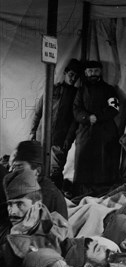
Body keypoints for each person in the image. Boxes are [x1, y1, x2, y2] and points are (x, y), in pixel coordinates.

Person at [0, 169, 71, 267]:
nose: (12, 211)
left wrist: (18, 236)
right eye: (10, 204)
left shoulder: (58, 228)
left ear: (37, 206)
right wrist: (16, 233)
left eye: (20, 204)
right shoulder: (4, 229)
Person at [29, 59, 81, 189]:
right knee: (38, 168)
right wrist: (33, 131)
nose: (73, 78)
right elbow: (38, 112)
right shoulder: (52, 88)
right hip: (41, 136)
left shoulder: (76, 94)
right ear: (65, 73)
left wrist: (68, 139)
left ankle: (56, 198)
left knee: (56, 171)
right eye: (71, 75)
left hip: (60, 139)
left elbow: (75, 121)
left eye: (76, 76)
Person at [72, 60, 121, 196]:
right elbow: (76, 110)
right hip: (85, 131)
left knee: (104, 161)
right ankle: (82, 192)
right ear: (86, 73)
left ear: (100, 72)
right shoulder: (81, 91)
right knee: (83, 158)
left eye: (96, 71)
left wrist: (98, 117)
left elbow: (114, 108)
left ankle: (102, 192)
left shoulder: (109, 89)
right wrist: (87, 118)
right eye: (90, 71)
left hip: (105, 131)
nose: (93, 74)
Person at [10, 140, 68, 220]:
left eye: (19, 166)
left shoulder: (45, 194)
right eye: (12, 167)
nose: (12, 171)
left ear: (37, 171)